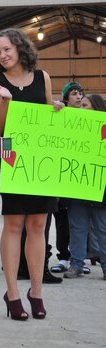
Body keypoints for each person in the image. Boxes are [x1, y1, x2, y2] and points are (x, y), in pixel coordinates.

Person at [0, 28, 60, 320]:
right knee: (14, 224)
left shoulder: (43, 78)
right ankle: (13, 292)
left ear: (20, 47)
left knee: (39, 225)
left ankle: (37, 292)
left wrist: (56, 109)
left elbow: (47, 118)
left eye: (7, 49)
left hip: (41, 161)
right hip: (13, 158)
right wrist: (5, 99)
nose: (2, 55)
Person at [64, 94, 106, 280]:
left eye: (85, 106)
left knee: (102, 228)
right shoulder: (72, 129)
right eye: (80, 106)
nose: (81, 109)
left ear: (96, 109)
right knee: (77, 228)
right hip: (76, 188)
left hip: (99, 190)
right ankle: (76, 265)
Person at [50, 82, 90, 275]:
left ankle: (80, 259)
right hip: (63, 179)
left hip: (82, 179)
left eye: (81, 93)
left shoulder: (91, 120)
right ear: (66, 98)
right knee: (63, 219)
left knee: (83, 222)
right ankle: (64, 257)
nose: (79, 97)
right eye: (74, 93)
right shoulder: (59, 116)